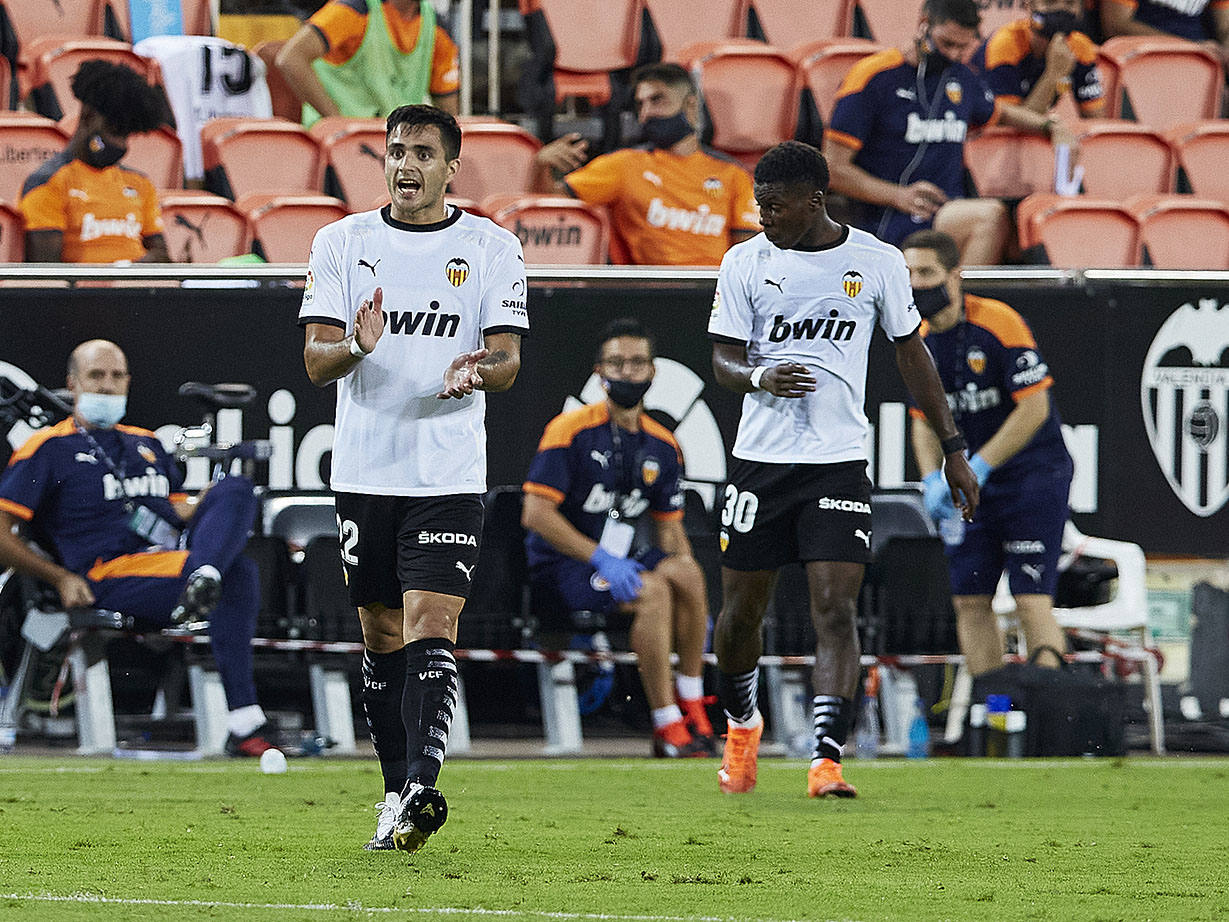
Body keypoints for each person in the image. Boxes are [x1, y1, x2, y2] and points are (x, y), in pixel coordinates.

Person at [707, 141, 979, 798]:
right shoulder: (744, 261)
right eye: (758, 204)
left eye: (775, 205)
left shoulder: (876, 262)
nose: (764, 216)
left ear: (815, 200)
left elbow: (911, 354)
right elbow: (721, 358)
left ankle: (825, 759)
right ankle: (742, 723)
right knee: (743, 614)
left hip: (836, 464)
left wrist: (951, 447)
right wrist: (757, 375)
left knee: (835, 608)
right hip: (759, 464)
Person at [299, 105, 527, 854]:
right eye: (396, 151)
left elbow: (506, 361)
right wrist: (358, 348)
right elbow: (315, 359)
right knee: (380, 630)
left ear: (450, 166)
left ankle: (423, 786)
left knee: (433, 621)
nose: (406, 165)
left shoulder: (491, 247)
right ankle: (393, 790)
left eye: (423, 153)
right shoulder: (342, 241)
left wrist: (476, 369)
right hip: (366, 468)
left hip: (447, 470)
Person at [0, 340, 273, 756]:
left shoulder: (146, 442)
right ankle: (245, 720)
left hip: (172, 560)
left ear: (128, 382)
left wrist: (218, 505)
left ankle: (206, 577)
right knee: (241, 574)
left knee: (236, 488)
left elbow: (177, 510)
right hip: (106, 573)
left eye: (116, 376)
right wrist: (59, 578)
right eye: (96, 376)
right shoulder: (47, 448)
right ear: (72, 383)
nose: (107, 386)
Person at [521, 318, 716, 759]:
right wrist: (601, 558)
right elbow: (535, 514)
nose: (627, 372)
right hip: (564, 564)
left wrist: (697, 605)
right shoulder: (569, 429)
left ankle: (691, 696)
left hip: (623, 556)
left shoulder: (664, 444)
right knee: (654, 592)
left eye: (637, 363)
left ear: (653, 371)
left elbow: (670, 528)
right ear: (599, 372)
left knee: (685, 574)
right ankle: (667, 724)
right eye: (617, 363)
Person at [902, 229, 1072, 676]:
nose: (917, 283)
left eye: (926, 272)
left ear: (955, 276)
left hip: (1031, 476)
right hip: (967, 488)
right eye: (908, 274)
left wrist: (981, 465)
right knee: (970, 599)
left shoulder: (998, 321)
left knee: (1030, 596)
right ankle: (993, 711)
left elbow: (1034, 409)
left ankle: (1048, 713)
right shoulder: (914, 339)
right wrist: (931, 478)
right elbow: (922, 421)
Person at [824, 0, 1078, 265]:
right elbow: (833, 168)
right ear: (924, 25)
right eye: (947, 44)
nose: (954, 55)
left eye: (963, 47)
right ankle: (961, 304)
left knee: (1015, 226)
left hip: (944, 212)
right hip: (888, 215)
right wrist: (897, 195)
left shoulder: (962, 77)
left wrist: (1051, 126)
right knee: (989, 216)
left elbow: (1002, 113)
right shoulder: (872, 77)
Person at [531, 62, 760, 266]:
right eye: (641, 104)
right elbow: (550, 209)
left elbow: (749, 253)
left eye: (657, 100)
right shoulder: (623, 165)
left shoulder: (732, 173)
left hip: (714, 291)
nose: (646, 114)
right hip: (649, 295)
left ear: (690, 106)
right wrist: (542, 165)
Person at [19, 60, 170, 264]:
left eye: (126, 135)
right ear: (88, 116)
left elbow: (162, 256)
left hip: (140, 292)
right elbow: (48, 277)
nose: (121, 144)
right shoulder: (47, 183)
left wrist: (125, 272)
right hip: (84, 295)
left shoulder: (140, 183)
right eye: (115, 131)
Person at [276, 0, 460, 127]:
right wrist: (337, 122)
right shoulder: (354, 10)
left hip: (395, 145)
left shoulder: (437, 28)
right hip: (337, 144)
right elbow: (291, 58)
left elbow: (448, 112)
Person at [971, 0, 1107, 118]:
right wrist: (1053, 74)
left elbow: (1096, 120)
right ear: (1028, 6)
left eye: (1070, 3)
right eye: (1050, 2)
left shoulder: (1080, 46)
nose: (1060, 10)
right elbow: (1010, 127)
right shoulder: (1005, 46)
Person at [1100, 0, 1229, 70]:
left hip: (1199, 64)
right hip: (1139, 62)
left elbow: (1225, 27)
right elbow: (1116, 25)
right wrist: (1189, 48)